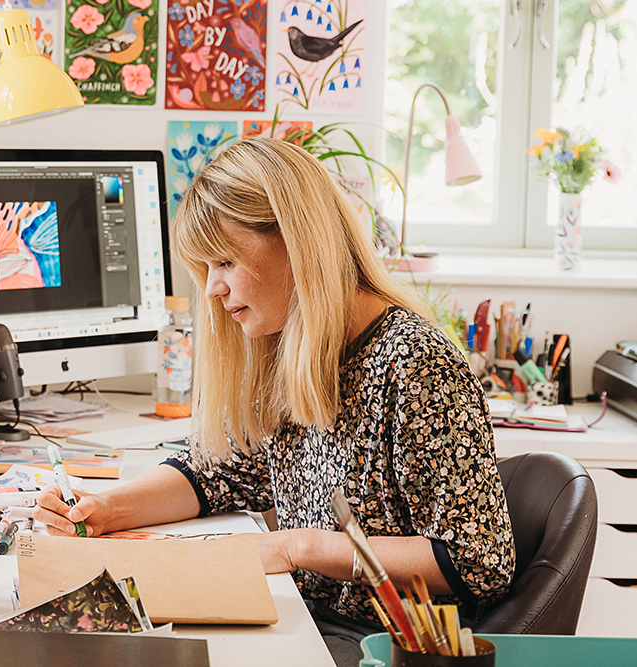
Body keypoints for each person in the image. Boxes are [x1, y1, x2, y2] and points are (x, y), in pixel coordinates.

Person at [35, 137, 515, 665]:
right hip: (309, 619)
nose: (213, 289)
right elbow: (221, 474)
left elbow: (477, 562)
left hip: (383, 645)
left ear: (296, 240)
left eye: (224, 261)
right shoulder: (298, 347)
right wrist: (107, 508)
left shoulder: (413, 363)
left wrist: (299, 547)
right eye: (206, 270)